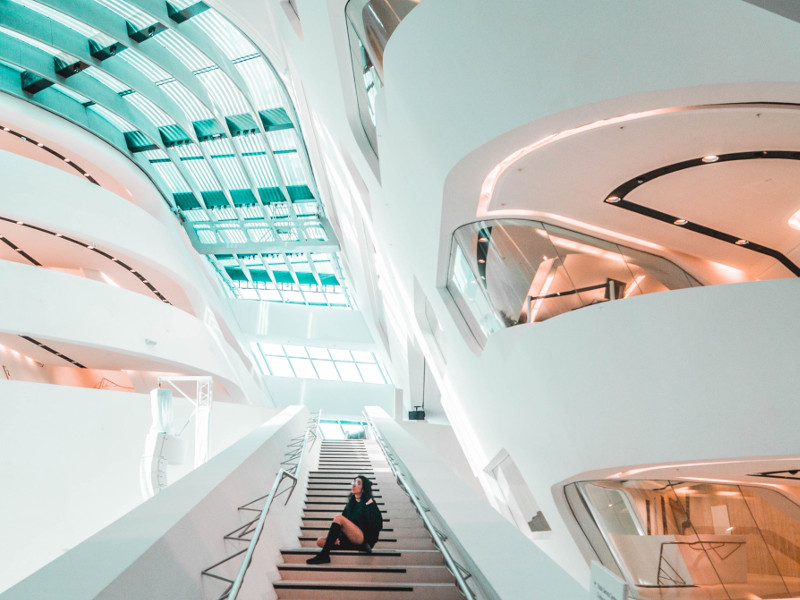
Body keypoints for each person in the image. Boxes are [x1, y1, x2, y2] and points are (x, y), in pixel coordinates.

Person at [306, 474, 383, 564]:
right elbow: (341, 526)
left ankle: (324, 555)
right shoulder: (350, 505)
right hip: (351, 540)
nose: (353, 485)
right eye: (353, 482)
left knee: (339, 518)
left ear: (363, 488)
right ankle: (360, 547)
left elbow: (377, 525)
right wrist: (337, 538)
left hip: (363, 538)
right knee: (320, 541)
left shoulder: (369, 503)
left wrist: (369, 504)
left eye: (357, 483)